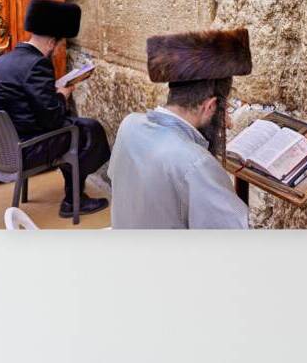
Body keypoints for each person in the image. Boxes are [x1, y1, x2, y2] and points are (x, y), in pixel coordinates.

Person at [108, 29, 253, 229]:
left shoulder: (129, 125)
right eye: (225, 110)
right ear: (209, 106)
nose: (228, 122)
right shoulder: (195, 163)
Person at [0, 0, 110, 217]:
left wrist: (51, 91)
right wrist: (62, 94)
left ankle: (74, 194)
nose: (57, 49)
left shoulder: (2, 61)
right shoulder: (37, 64)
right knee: (88, 129)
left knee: (75, 128)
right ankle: (73, 201)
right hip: (26, 149)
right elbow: (52, 120)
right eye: (59, 45)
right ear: (52, 42)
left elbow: (17, 101)